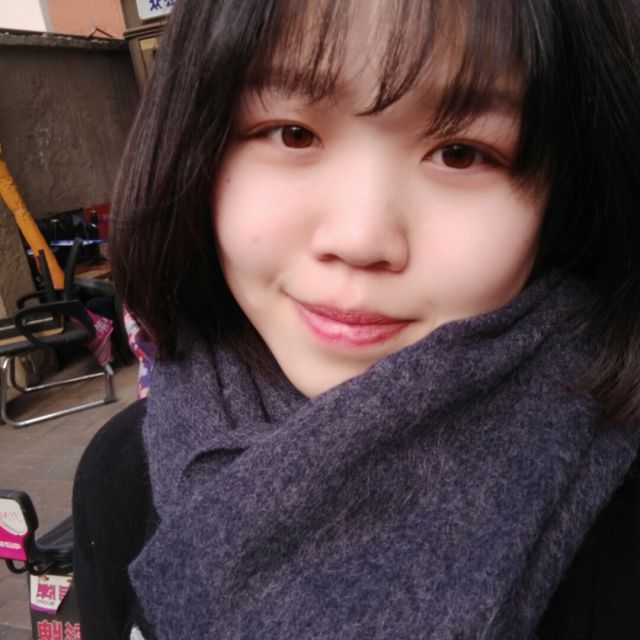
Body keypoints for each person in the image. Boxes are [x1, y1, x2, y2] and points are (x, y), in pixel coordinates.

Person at [73, 0, 640, 638]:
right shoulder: (120, 479)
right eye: (292, 133)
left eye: (460, 153)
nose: (360, 238)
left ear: (569, 193)